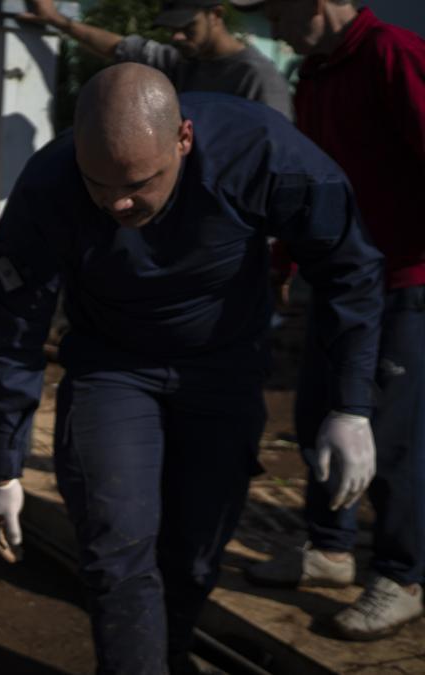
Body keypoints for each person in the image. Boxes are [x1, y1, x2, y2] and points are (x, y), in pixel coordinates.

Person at [0, 63, 383, 673]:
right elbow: (13, 329)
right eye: (99, 183)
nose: (118, 202)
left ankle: (166, 655)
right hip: (112, 366)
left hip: (222, 366)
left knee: (195, 556)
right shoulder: (50, 186)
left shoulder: (263, 154)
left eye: (140, 183)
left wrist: (350, 404)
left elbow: (349, 268)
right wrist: (4, 467)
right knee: (116, 548)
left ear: (184, 140)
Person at [234, 0, 425, 641]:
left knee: (391, 436)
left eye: (274, 14)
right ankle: (330, 550)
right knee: (320, 415)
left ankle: (403, 576)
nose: (272, 30)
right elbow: (309, 182)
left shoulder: (392, 53)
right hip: (339, 282)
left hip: (405, 281)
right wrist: (287, 260)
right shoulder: (315, 73)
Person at [20, 0, 292, 118]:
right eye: (173, 30)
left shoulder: (256, 77)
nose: (178, 38)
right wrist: (58, 21)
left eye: (188, 28)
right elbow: (119, 47)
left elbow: (277, 152)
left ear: (216, 15)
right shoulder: (181, 62)